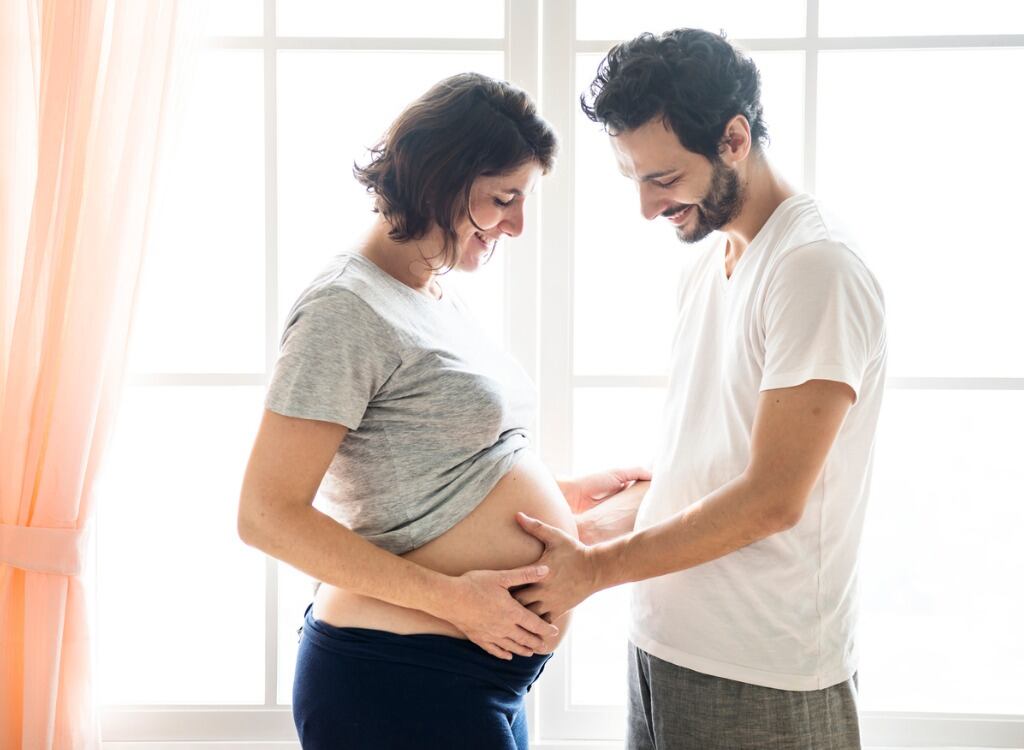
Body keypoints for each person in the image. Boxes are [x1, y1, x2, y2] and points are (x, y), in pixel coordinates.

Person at [236, 72, 650, 750]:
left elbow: (437, 467)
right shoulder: (345, 309)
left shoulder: (433, 295)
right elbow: (264, 513)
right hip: (394, 681)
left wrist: (559, 495)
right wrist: (451, 598)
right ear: (442, 180)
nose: (516, 224)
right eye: (504, 199)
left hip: (474, 678)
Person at [510, 29, 887, 749]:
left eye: (664, 179)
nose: (648, 209)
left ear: (735, 138)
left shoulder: (815, 267)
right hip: (662, 652)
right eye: (636, 181)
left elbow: (773, 498)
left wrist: (593, 570)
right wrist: (577, 528)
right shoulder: (710, 265)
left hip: (763, 675)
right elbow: (703, 469)